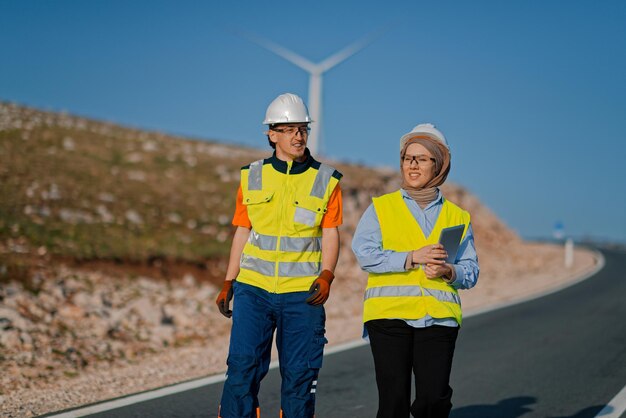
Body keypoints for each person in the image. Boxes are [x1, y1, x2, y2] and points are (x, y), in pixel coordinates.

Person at [215, 93, 343, 418]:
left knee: (300, 376)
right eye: (289, 129)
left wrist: (326, 274)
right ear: (272, 134)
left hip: (302, 295)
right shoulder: (251, 176)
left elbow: (330, 233)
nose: (298, 136)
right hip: (253, 290)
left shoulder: (326, 180)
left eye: (302, 129)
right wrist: (229, 281)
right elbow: (242, 230)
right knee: (242, 369)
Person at [351, 123, 479, 418]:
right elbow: (365, 255)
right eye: (408, 158)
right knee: (393, 403)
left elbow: (471, 270)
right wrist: (411, 257)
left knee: (434, 401)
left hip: (438, 318)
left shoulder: (457, 216)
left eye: (421, 159)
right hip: (388, 316)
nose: (412, 165)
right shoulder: (381, 207)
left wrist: (449, 271)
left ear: (439, 164)